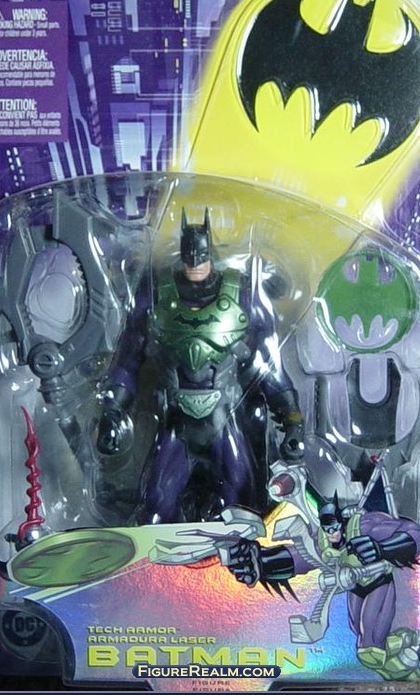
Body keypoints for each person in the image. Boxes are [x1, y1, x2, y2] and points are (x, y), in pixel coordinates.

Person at [96, 208, 304, 524]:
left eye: (201, 257)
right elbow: (128, 361)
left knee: (243, 505)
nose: (195, 264)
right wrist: (112, 412)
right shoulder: (156, 295)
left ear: (209, 254)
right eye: (189, 258)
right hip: (176, 425)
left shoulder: (243, 294)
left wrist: (292, 420)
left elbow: (270, 368)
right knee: (156, 507)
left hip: (224, 420)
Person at [227, 493, 420, 681]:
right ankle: (415, 640)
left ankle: (411, 661)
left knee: (370, 649)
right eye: (327, 530)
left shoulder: (365, 526)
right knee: (362, 635)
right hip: (356, 588)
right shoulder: (324, 540)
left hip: (378, 583)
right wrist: (262, 562)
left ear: (342, 523)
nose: (332, 534)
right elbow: (302, 557)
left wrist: (382, 548)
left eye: (335, 528)